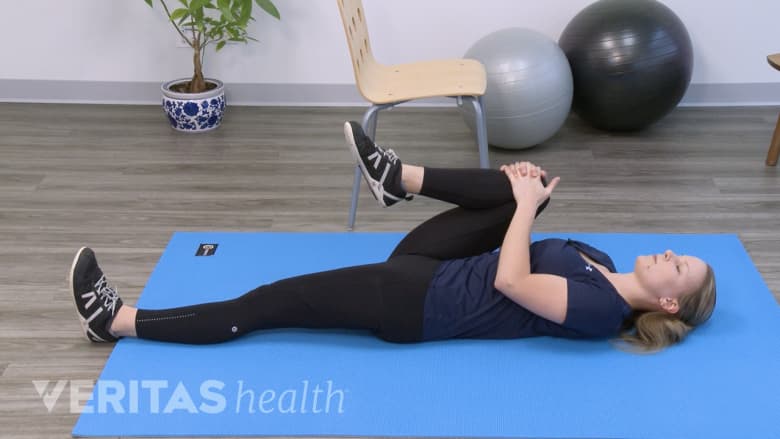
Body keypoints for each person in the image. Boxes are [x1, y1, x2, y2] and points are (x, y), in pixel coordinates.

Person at [69, 121, 716, 353]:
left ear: (665, 304)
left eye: (677, 267)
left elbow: (511, 280)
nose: (668, 253)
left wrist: (523, 208)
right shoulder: (598, 261)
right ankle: (397, 177)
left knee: (263, 303)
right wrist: (526, 192)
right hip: (431, 263)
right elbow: (511, 239)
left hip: (415, 303)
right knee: (536, 181)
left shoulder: (602, 310)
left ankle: (119, 320)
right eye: (679, 253)